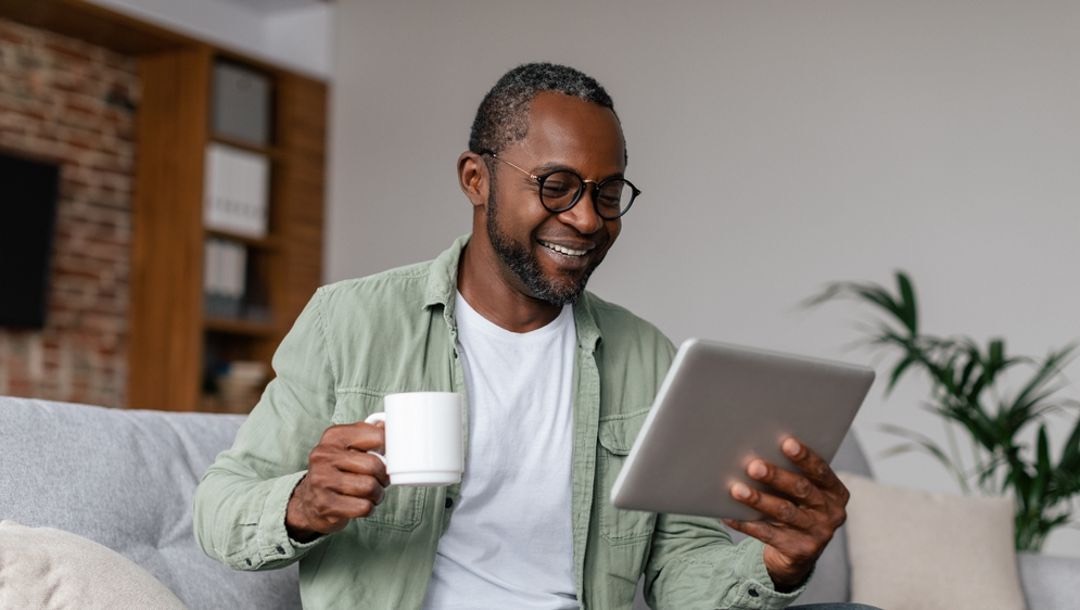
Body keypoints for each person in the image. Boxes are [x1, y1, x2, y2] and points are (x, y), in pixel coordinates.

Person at [194, 62, 863, 610]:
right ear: (475, 179)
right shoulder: (351, 322)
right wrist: (303, 504)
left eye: (607, 194)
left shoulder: (646, 357)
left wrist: (777, 564)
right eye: (557, 186)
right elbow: (220, 511)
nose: (586, 219)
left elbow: (681, 570)